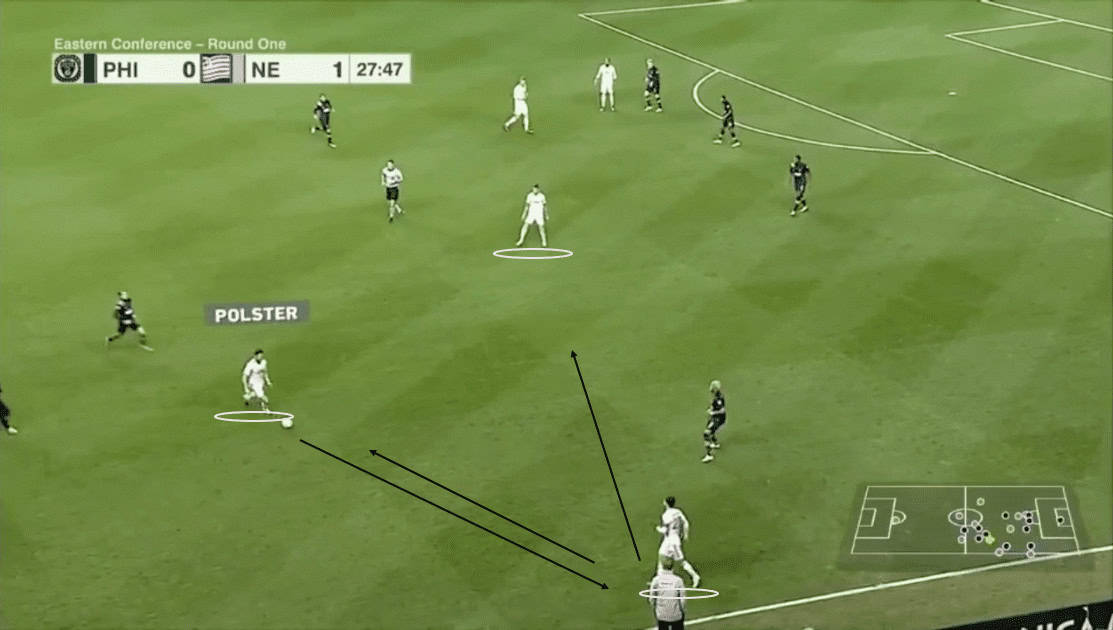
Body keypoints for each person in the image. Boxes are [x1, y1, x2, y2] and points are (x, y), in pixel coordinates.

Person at [656, 496, 701, 587]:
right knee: (661, 555)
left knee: (681, 561)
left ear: (666, 503)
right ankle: (659, 579)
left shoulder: (666, 515)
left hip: (672, 541)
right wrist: (685, 534)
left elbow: (666, 530)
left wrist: (659, 529)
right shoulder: (678, 512)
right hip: (670, 539)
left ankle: (695, 576)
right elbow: (686, 523)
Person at [648, 557, 686, 629]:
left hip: (661, 615)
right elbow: (683, 600)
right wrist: (682, 611)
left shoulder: (656, 580)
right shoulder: (678, 580)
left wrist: (656, 611)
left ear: (662, 566)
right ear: (673, 567)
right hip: (676, 616)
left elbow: (651, 599)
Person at [702, 380, 726, 462]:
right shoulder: (716, 396)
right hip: (715, 418)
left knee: (706, 434)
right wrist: (711, 409)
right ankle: (715, 443)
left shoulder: (718, 398)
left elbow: (722, 410)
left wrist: (713, 412)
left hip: (718, 419)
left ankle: (709, 455)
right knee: (711, 430)